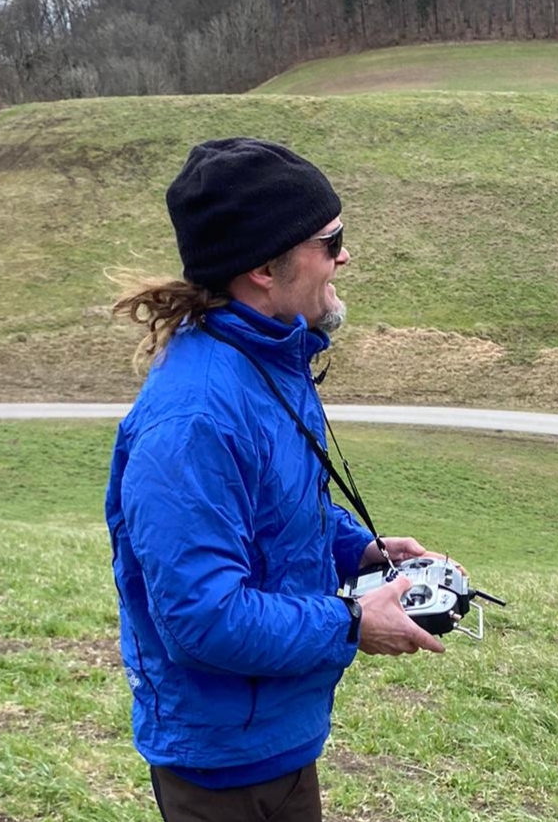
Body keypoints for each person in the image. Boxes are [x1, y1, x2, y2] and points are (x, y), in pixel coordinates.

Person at [105, 138, 447, 822]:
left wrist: (357, 549)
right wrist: (352, 623)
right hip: (221, 766)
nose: (345, 256)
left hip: (278, 733)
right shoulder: (194, 418)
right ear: (264, 268)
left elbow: (277, 503)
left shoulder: (265, 360)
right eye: (330, 241)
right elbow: (203, 617)